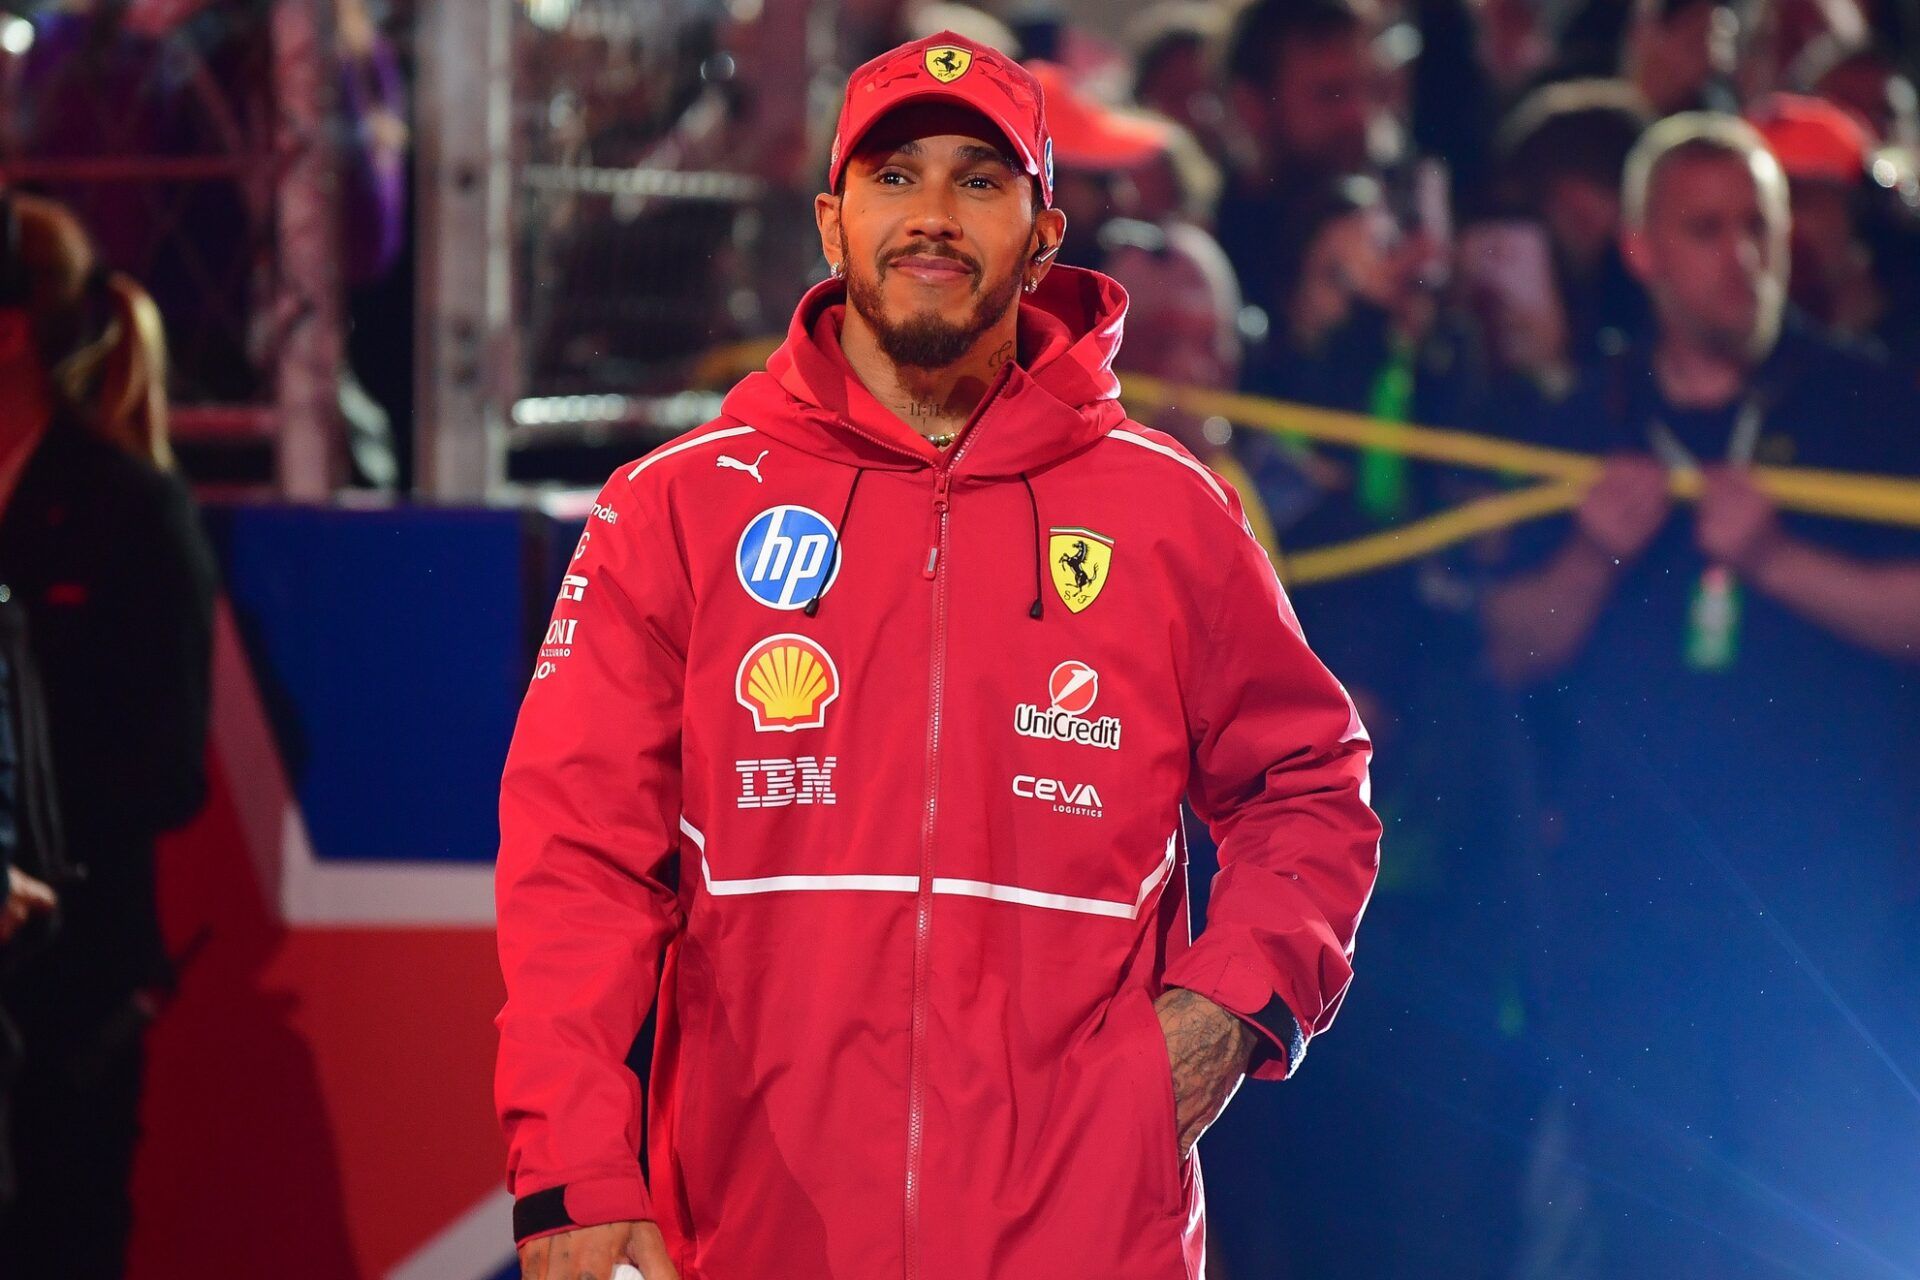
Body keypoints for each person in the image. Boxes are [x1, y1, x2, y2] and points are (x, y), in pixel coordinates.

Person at [494, 31, 1382, 1280]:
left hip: (1080, 1243)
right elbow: (577, 862)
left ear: (1044, 234)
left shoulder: (1168, 514)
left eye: (979, 180)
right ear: (831, 222)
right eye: (896, 176)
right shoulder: (677, 509)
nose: (933, 216)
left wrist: (1228, 1009)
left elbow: (1309, 788)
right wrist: (573, 1166)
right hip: (760, 1234)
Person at [1480, 113, 1920, 1274]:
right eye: (1708, 229)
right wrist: (1587, 554)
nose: (1744, 259)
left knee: (1823, 1224)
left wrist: (1780, 561)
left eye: (1761, 230)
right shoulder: (1583, 420)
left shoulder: (1867, 404)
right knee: (1650, 1233)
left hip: (1835, 931)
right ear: (1642, 251)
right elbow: (1501, 648)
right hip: (1633, 925)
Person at [0, 192, 217, 1277]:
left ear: (14, 327)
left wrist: (25, 844)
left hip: (69, 994)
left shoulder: (130, 509)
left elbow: (170, 764)